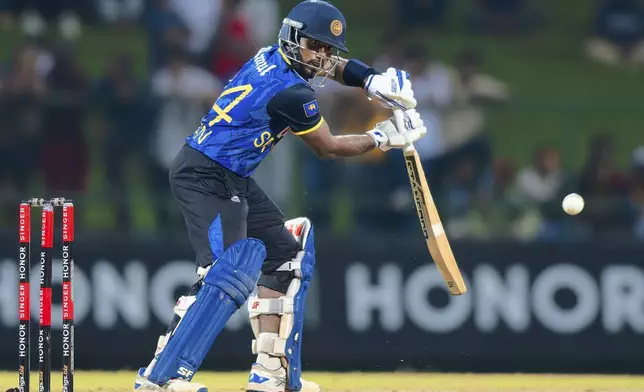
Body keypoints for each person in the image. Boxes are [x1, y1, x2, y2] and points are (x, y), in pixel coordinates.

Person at [133, 1, 426, 392]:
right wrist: (383, 137)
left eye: (327, 48)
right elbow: (328, 147)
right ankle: (161, 377)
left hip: (231, 176)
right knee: (227, 269)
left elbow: (333, 67)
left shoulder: (273, 56)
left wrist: (372, 81)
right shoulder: (290, 92)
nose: (322, 58)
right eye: (314, 46)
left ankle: (271, 374)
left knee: (287, 256)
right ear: (293, 39)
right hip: (203, 175)